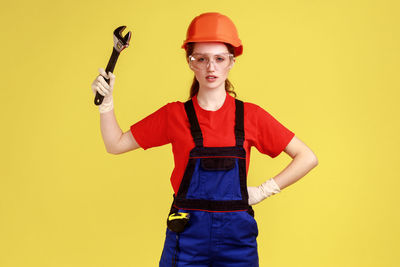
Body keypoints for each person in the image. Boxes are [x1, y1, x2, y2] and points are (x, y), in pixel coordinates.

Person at [91, 12, 318, 267]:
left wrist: (263, 191)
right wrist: (106, 104)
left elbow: (307, 157)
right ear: (191, 62)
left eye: (219, 59)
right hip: (186, 238)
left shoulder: (250, 116)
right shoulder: (173, 115)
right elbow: (114, 144)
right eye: (202, 59)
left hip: (237, 243)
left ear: (231, 62)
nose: (211, 67)